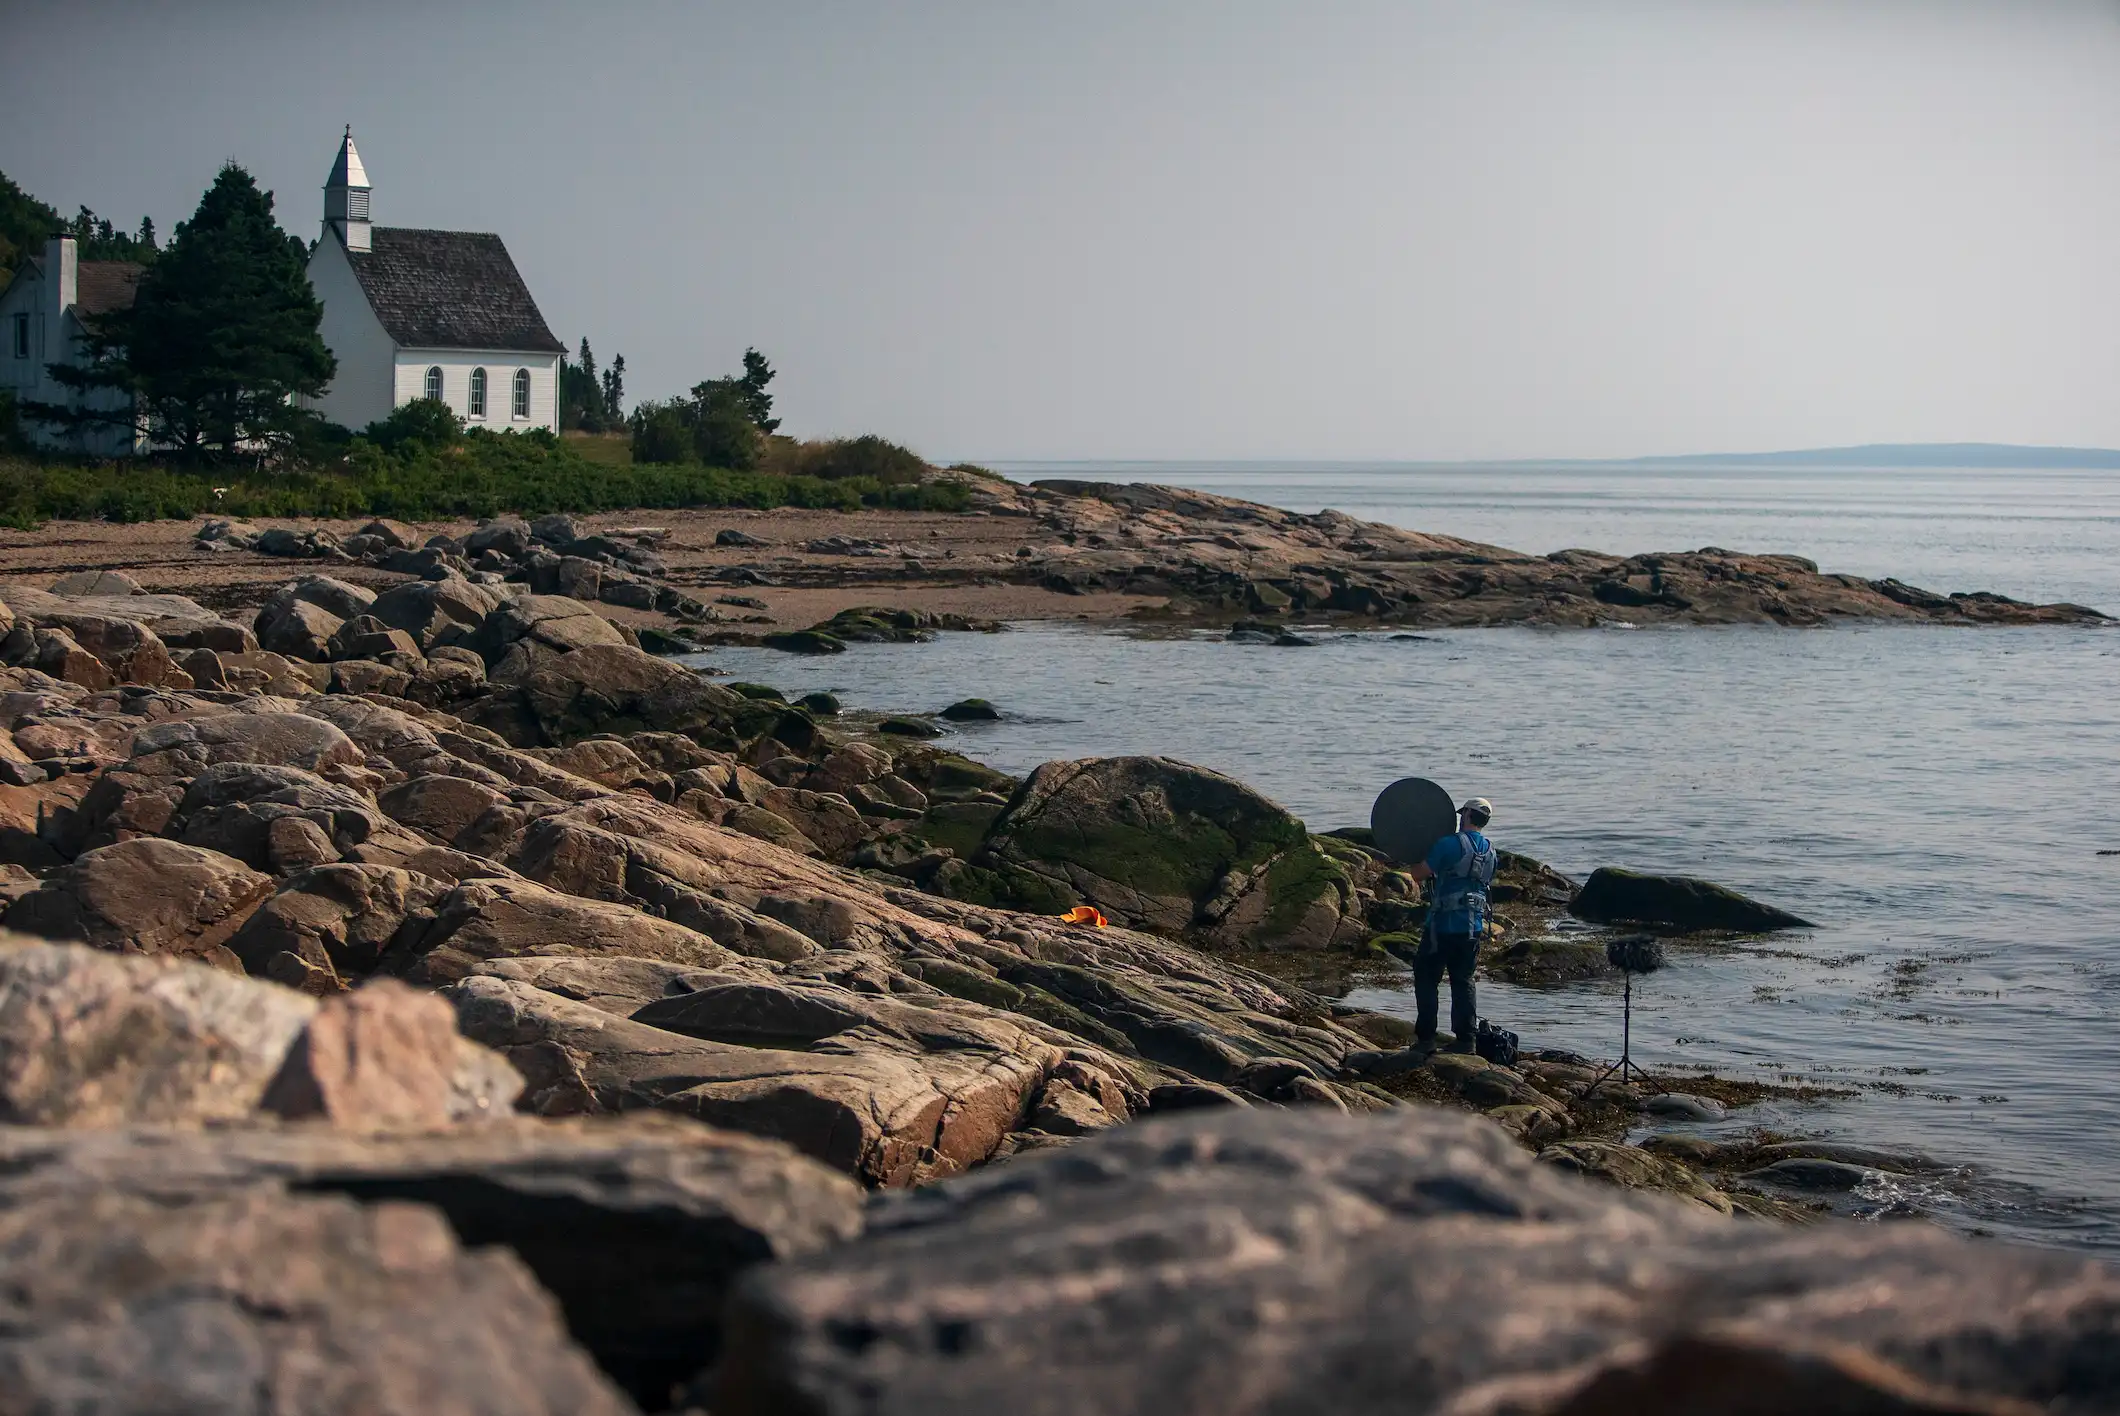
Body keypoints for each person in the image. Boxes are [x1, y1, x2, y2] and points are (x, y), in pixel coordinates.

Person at [1406, 797, 1497, 1053]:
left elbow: (1418, 874)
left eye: (1462, 813)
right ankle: (1466, 1040)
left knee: (1426, 978)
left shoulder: (1449, 844)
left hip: (1442, 926)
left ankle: (1426, 1040)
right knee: (1463, 980)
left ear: (1467, 814)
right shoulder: (1491, 851)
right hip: (1473, 927)